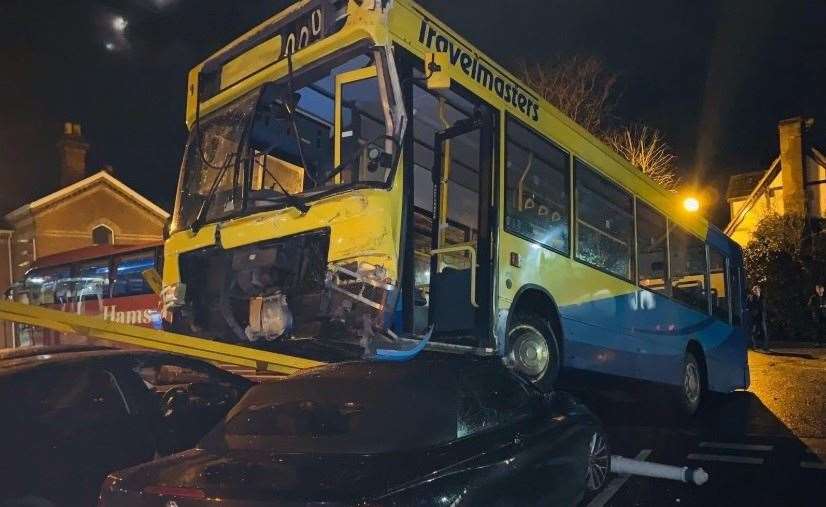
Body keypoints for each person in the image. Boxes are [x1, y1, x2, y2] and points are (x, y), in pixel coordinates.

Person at [746, 285, 768, 351]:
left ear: (759, 290)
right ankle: (754, 345)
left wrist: (764, 314)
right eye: (755, 290)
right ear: (753, 291)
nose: (756, 291)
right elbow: (747, 305)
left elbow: (764, 306)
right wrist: (751, 311)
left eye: (757, 289)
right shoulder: (750, 297)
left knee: (763, 331)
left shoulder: (762, 297)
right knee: (753, 331)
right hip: (754, 316)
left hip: (761, 316)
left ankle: (764, 346)